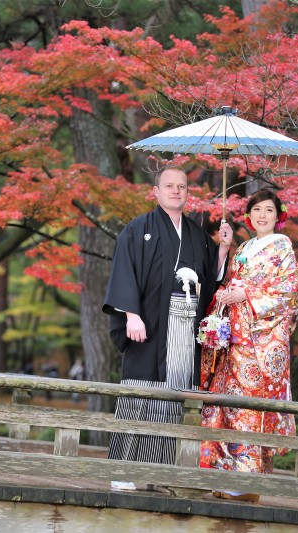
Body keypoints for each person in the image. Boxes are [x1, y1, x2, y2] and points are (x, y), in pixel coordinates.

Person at [103, 165, 233, 491]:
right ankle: (124, 469)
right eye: (170, 186)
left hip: (184, 327)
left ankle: (160, 473)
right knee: (139, 393)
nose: (176, 191)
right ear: (156, 191)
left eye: (182, 187)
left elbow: (209, 278)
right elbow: (124, 271)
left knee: (174, 397)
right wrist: (130, 314)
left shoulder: (196, 234)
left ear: (188, 193)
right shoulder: (137, 229)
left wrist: (223, 250)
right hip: (147, 326)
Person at [199, 189, 298, 503]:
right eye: (256, 209)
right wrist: (224, 294)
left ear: (278, 216)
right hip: (235, 338)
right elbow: (231, 282)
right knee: (224, 405)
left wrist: (245, 295)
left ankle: (247, 483)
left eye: (269, 210)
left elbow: (289, 289)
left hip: (260, 339)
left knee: (249, 407)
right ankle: (223, 474)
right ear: (249, 215)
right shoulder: (244, 246)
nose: (262, 215)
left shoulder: (282, 246)